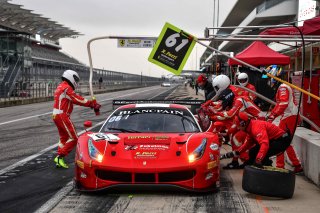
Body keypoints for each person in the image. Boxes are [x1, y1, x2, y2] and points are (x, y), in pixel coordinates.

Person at [52, 69, 101, 169]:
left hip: (57, 115)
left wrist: (90, 104)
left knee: (64, 138)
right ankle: (60, 156)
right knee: (74, 138)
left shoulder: (61, 87)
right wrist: (92, 104)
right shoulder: (66, 88)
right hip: (62, 115)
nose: (76, 82)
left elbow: (73, 100)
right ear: (71, 77)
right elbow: (77, 99)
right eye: (76, 79)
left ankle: (59, 160)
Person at [221, 112, 292, 168]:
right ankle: (249, 166)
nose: (238, 129)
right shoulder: (250, 128)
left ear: (243, 124)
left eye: (238, 126)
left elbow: (264, 144)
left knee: (263, 156)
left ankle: (266, 173)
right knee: (252, 151)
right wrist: (235, 153)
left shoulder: (256, 128)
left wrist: (258, 159)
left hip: (282, 140)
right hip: (274, 139)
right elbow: (247, 145)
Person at [267, 83, 303, 173]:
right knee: (286, 141)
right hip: (289, 116)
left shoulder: (283, 87)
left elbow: (283, 103)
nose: (270, 83)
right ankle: (297, 165)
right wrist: (272, 115)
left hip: (289, 116)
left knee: (281, 140)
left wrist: (273, 116)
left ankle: (280, 166)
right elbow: (280, 104)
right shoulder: (284, 86)